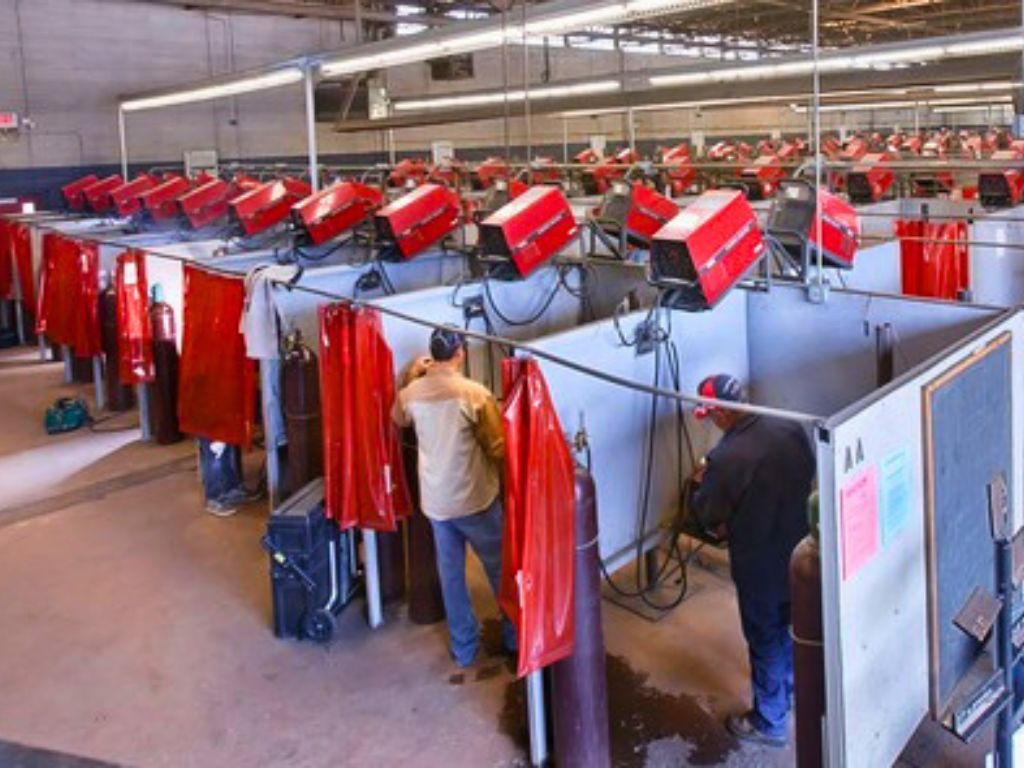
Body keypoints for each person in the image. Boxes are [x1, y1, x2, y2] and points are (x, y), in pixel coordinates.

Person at [689, 373, 815, 747]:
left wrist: (703, 482)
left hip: (759, 564)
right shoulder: (788, 426)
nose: (711, 422)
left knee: (764, 638)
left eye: (711, 416)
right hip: (798, 553)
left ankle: (769, 720)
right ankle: (790, 694)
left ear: (723, 413)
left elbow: (708, 513)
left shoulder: (728, 457)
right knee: (793, 629)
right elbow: (806, 471)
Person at [392, 326, 516, 667]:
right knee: (498, 570)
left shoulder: (411, 394)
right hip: (475, 499)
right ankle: (515, 638)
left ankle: (463, 648)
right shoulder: (474, 394)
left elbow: (397, 419)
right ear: (461, 353)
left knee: (451, 577)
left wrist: (409, 376)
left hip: (436, 503)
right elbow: (497, 447)